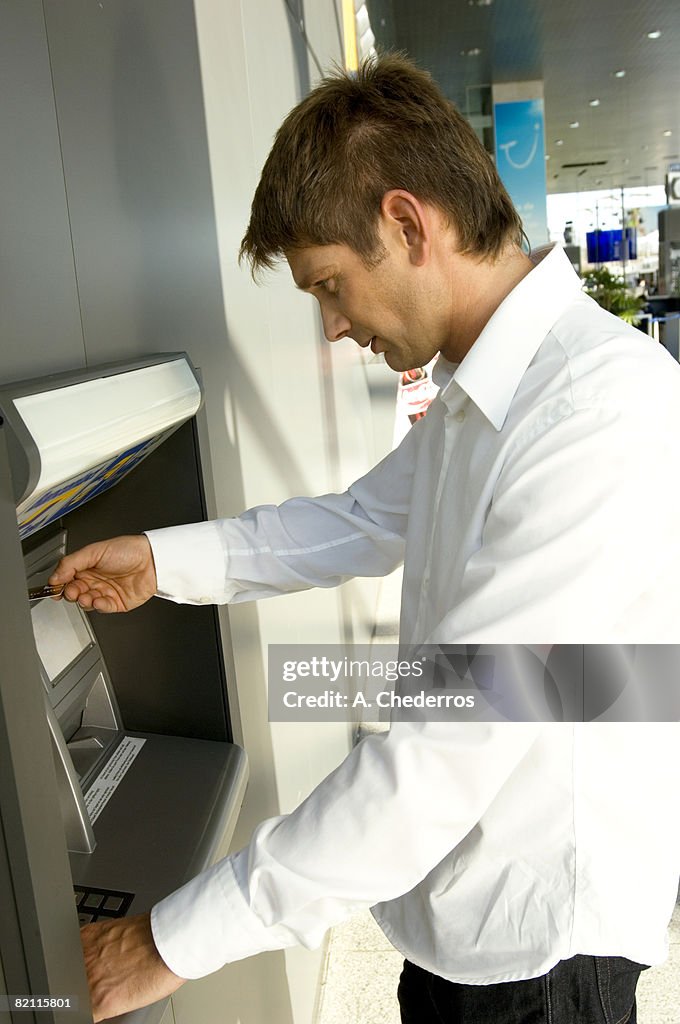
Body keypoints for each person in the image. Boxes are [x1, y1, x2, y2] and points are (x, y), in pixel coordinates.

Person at [51, 55, 680, 1023]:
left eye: (330, 285)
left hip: (540, 960)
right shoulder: (488, 395)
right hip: (456, 930)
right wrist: (160, 559)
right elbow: (354, 522)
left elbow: (445, 745)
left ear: (404, 222)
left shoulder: (593, 409)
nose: (333, 326)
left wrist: (169, 940)